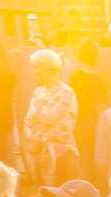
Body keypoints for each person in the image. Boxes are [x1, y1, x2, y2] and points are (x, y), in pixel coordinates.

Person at [25, 48, 77, 186]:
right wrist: (30, 137)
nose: (34, 72)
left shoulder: (66, 93)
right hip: (39, 158)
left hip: (61, 159)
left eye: (37, 67)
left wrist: (41, 141)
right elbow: (28, 121)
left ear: (48, 68)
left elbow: (65, 126)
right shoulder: (38, 92)